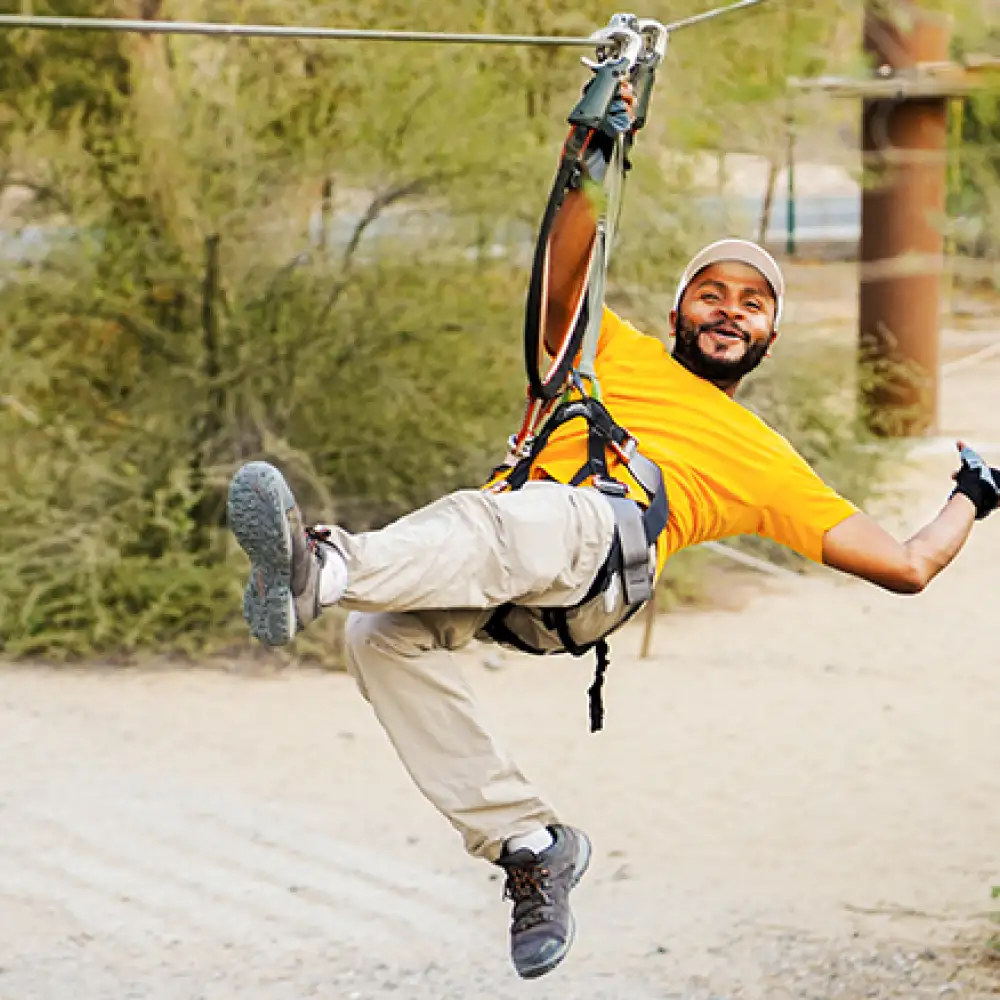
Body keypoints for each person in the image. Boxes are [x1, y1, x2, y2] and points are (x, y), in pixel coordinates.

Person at [226, 92, 1000, 981]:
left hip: (595, 567)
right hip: (508, 563)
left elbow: (907, 565)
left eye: (751, 304)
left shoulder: (766, 461)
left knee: (542, 515)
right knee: (381, 636)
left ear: (770, 336)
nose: (729, 310)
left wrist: (973, 495)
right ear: (678, 315)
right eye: (710, 294)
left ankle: (319, 566)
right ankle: (530, 843)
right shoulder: (611, 350)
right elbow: (563, 267)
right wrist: (593, 144)